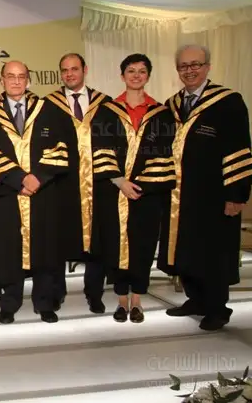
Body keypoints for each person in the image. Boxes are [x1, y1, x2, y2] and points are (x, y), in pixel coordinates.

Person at [159, 45, 252, 331]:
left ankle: (217, 308)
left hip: (214, 194)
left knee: (213, 252)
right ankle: (196, 299)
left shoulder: (228, 102)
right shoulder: (172, 105)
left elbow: (239, 149)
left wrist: (236, 195)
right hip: (180, 194)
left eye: (195, 65)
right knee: (186, 249)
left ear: (208, 66)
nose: (189, 71)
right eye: (184, 66)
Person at [0, 61, 71, 324]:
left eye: (21, 76)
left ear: (28, 80)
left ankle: (44, 302)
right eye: (11, 76)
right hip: (8, 194)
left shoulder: (47, 110)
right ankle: (10, 302)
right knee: (8, 250)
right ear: (2, 80)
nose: (16, 81)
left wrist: (38, 178)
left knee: (45, 248)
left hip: (43, 193)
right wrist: (19, 179)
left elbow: (59, 148)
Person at [91, 54, 175, 323]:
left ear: (148, 76)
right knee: (115, 245)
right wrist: (119, 181)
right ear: (122, 75)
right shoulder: (107, 111)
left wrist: (141, 186)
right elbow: (100, 149)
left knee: (143, 244)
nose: (136, 75)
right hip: (113, 191)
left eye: (141, 71)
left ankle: (137, 299)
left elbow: (164, 153)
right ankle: (120, 299)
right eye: (131, 71)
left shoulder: (161, 113)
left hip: (147, 194)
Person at [44, 53, 112, 314]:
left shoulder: (105, 104)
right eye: (65, 70)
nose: (69, 74)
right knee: (57, 241)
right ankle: (56, 293)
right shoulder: (49, 104)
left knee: (98, 240)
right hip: (62, 184)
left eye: (74, 69)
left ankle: (94, 293)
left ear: (85, 69)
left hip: (97, 183)